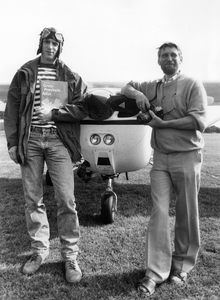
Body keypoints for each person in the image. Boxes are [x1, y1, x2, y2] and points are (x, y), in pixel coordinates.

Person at [121, 42, 208, 296]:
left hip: (187, 155)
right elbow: (127, 86)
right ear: (159, 60)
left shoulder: (193, 84)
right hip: (160, 159)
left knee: (186, 213)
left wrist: (161, 124)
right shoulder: (154, 86)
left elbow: (197, 121)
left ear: (181, 59)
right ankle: (155, 272)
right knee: (158, 213)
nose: (168, 59)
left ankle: (181, 267)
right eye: (164, 55)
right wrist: (136, 94)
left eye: (173, 55)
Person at [4, 27, 90, 283]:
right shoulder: (25, 72)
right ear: (40, 44)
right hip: (30, 140)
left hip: (58, 141)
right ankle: (39, 252)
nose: (50, 47)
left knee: (66, 199)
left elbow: (84, 106)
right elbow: (13, 109)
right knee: (33, 199)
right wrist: (12, 143)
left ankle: (70, 256)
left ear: (60, 47)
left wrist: (58, 114)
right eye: (47, 42)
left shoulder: (69, 75)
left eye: (55, 43)